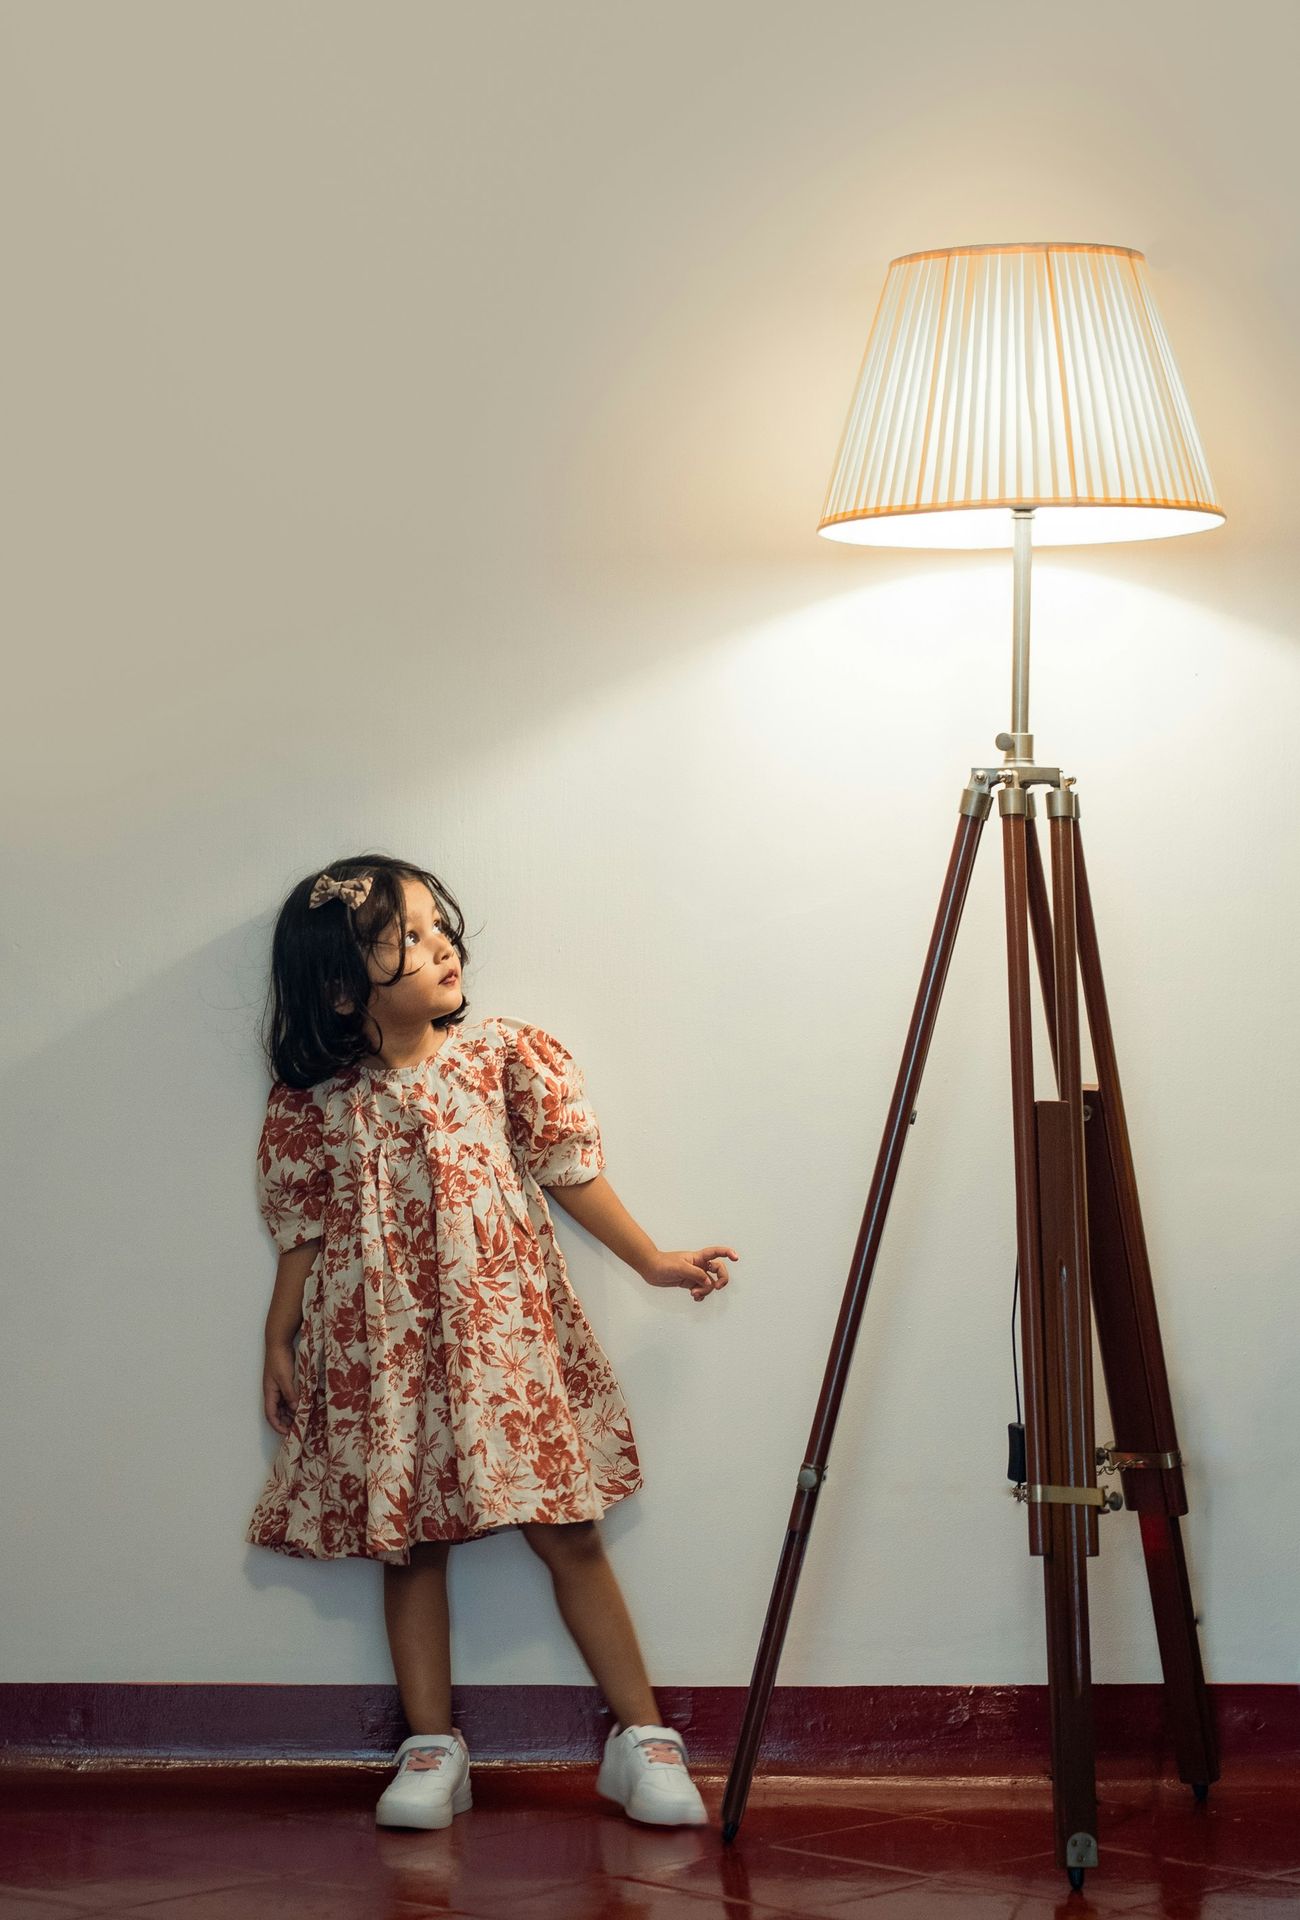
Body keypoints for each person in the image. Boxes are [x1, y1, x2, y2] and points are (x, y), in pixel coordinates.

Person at [246, 854, 739, 1831]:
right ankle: (432, 1746)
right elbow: (301, 1227)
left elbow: (567, 1172)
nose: (439, 951)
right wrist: (279, 1336)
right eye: (406, 942)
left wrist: (650, 1261)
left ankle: (639, 1736)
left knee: (567, 1530)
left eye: (438, 930)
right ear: (344, 991)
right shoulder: (319, 1104)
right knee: (412, 1548)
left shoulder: (501, 1057)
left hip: (502, 1340)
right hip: (379, 1348)